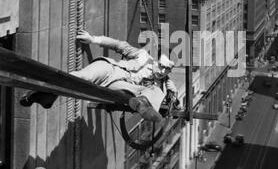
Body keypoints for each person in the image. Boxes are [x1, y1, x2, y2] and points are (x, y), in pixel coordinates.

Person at [20, 30, 178, 123]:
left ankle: (143, 104)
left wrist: (173, 95)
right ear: (157, 60)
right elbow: (118, 45)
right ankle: (46, 94)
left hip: (124, 87)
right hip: (112, 70)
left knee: (156, 91)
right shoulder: (142, 56)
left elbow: (173, 93)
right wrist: (93, 39)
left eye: (167, 70)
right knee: (80, 76)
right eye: (162, 66)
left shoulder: (162, 82)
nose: (163, 71)